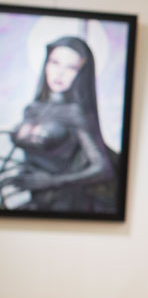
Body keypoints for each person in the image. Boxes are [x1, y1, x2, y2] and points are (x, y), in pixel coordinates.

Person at [3, 35, 118, 213]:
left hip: (64, 203)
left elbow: (103, 168)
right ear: (46, 64)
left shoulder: (75, 113)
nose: (60, 73)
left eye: (71, 67)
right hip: (29, 200)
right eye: (55, 62)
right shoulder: (32, 109)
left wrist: (52, 180)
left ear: (81, 73)